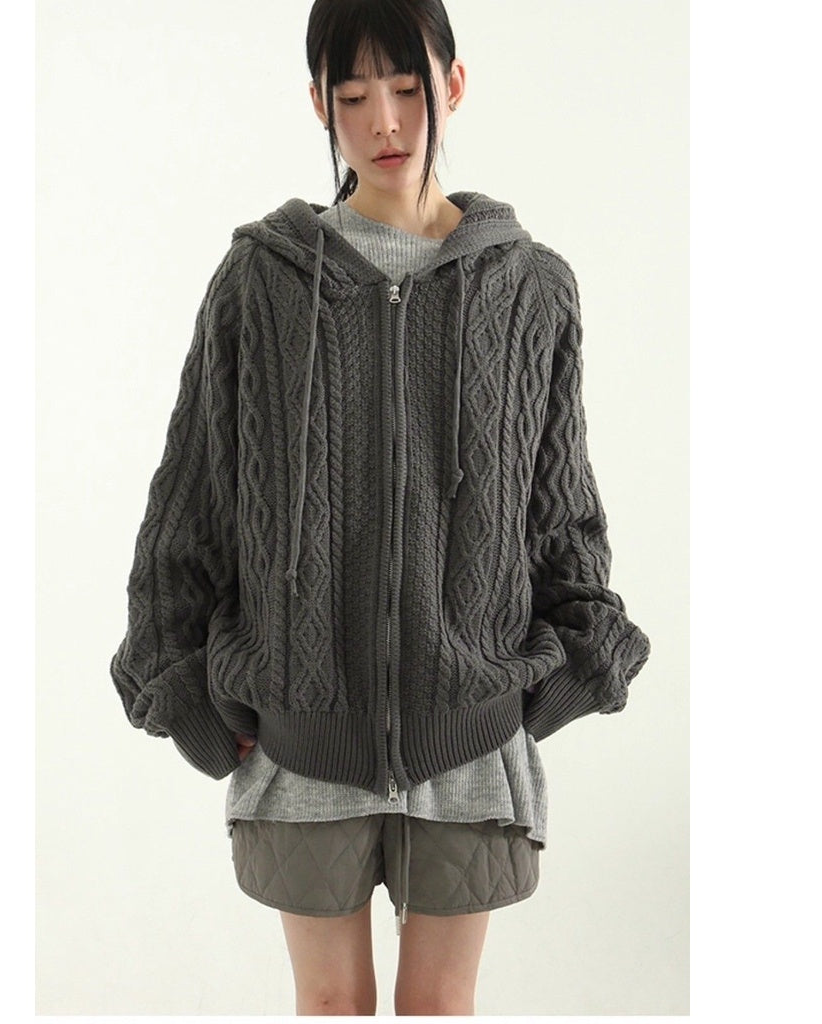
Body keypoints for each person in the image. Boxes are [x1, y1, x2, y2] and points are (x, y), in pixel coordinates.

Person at [109, 0, 650, 1014]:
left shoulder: (532, 289)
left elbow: (561, 510)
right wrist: (183, 693)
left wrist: (565, 672)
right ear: (320, 102)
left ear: (453, 83)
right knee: (332, 1008)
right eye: (353, 94)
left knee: (440, 1008)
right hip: (301, 738)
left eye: (406, 87)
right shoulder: (259, 284)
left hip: (471, 740)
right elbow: (190, 500)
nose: (384, 121)